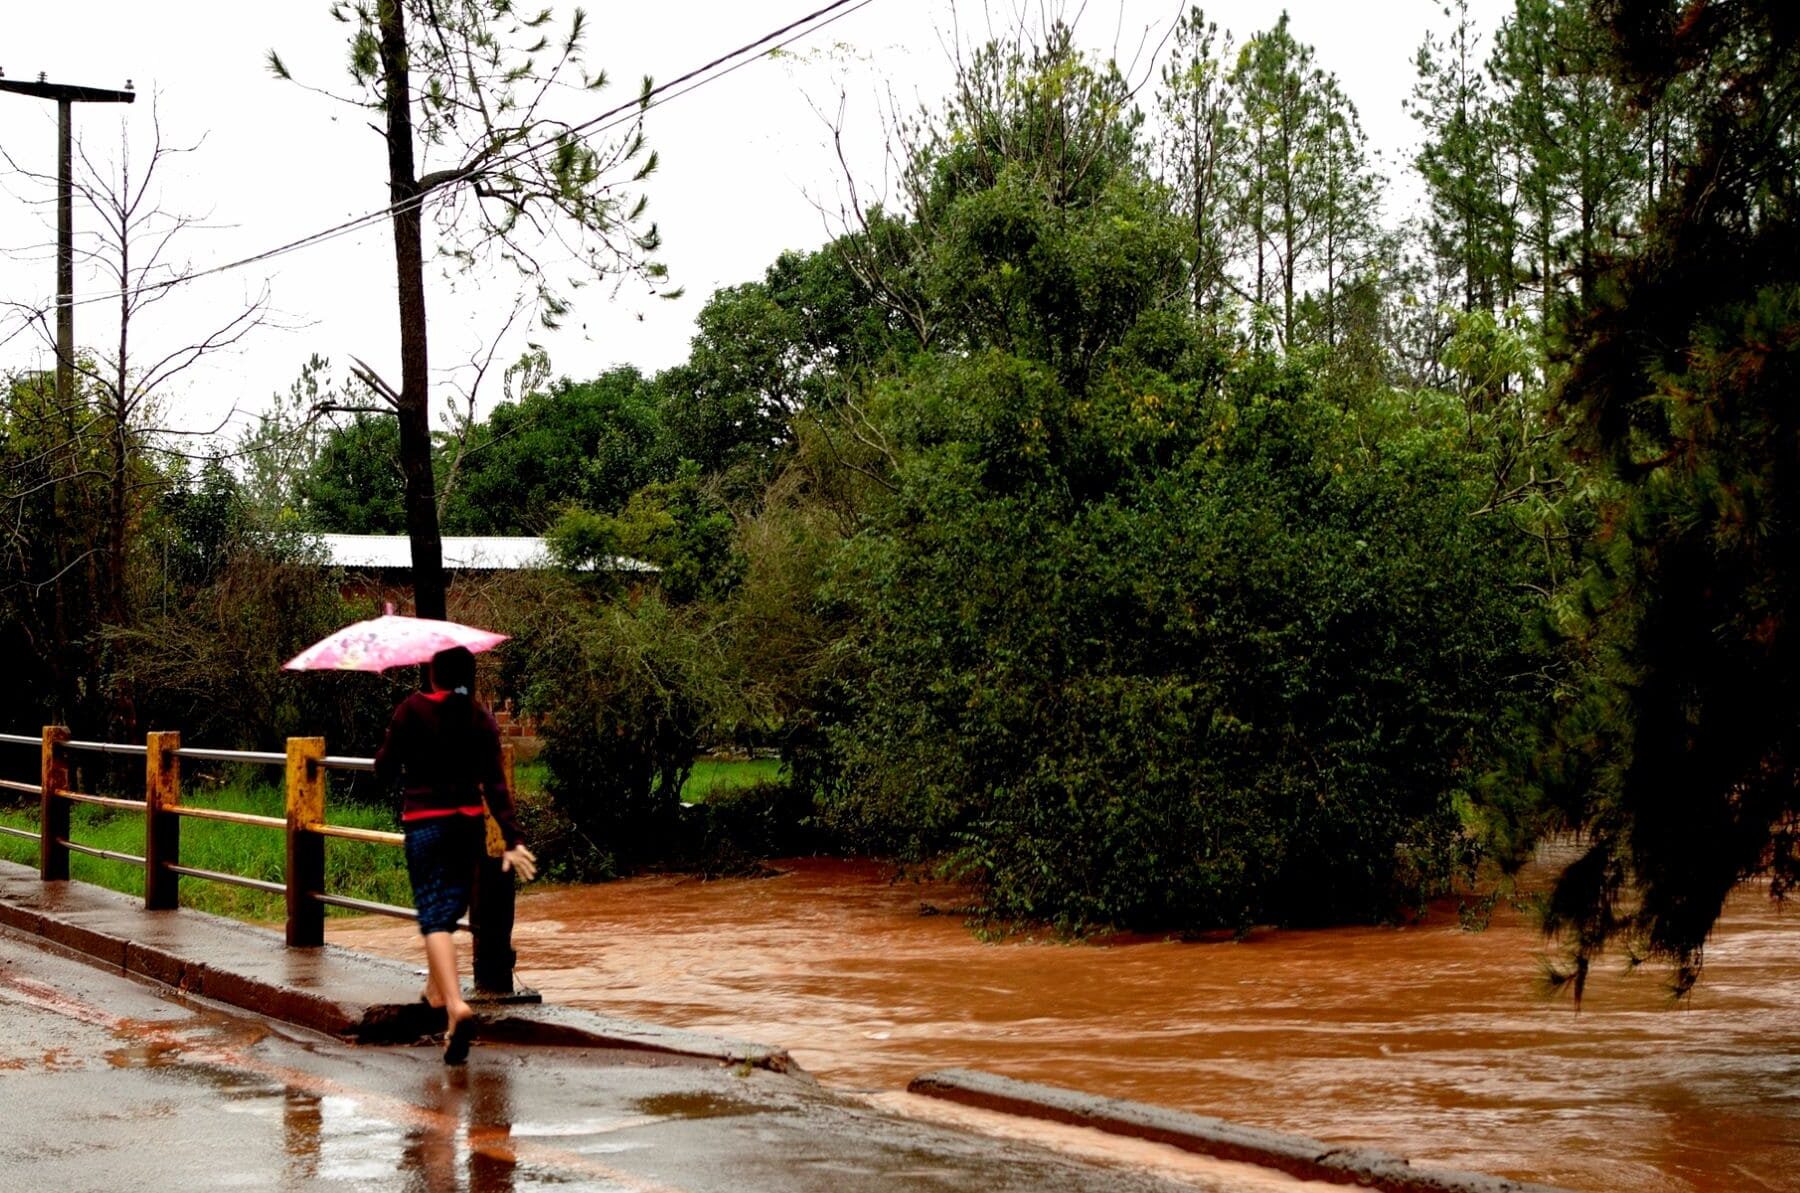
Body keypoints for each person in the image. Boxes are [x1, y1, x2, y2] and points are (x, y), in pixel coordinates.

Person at [376, 645, 537, 1064]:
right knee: (448, 912)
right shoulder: (479, 717)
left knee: (435, 919)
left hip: (426, 824)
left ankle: (454, 1006)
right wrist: (514, 837)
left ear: (433, 674)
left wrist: (400, 757)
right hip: (467, 825)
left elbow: (385, 768)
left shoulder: (410, 711)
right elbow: (496, 786)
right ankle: (437, 993)